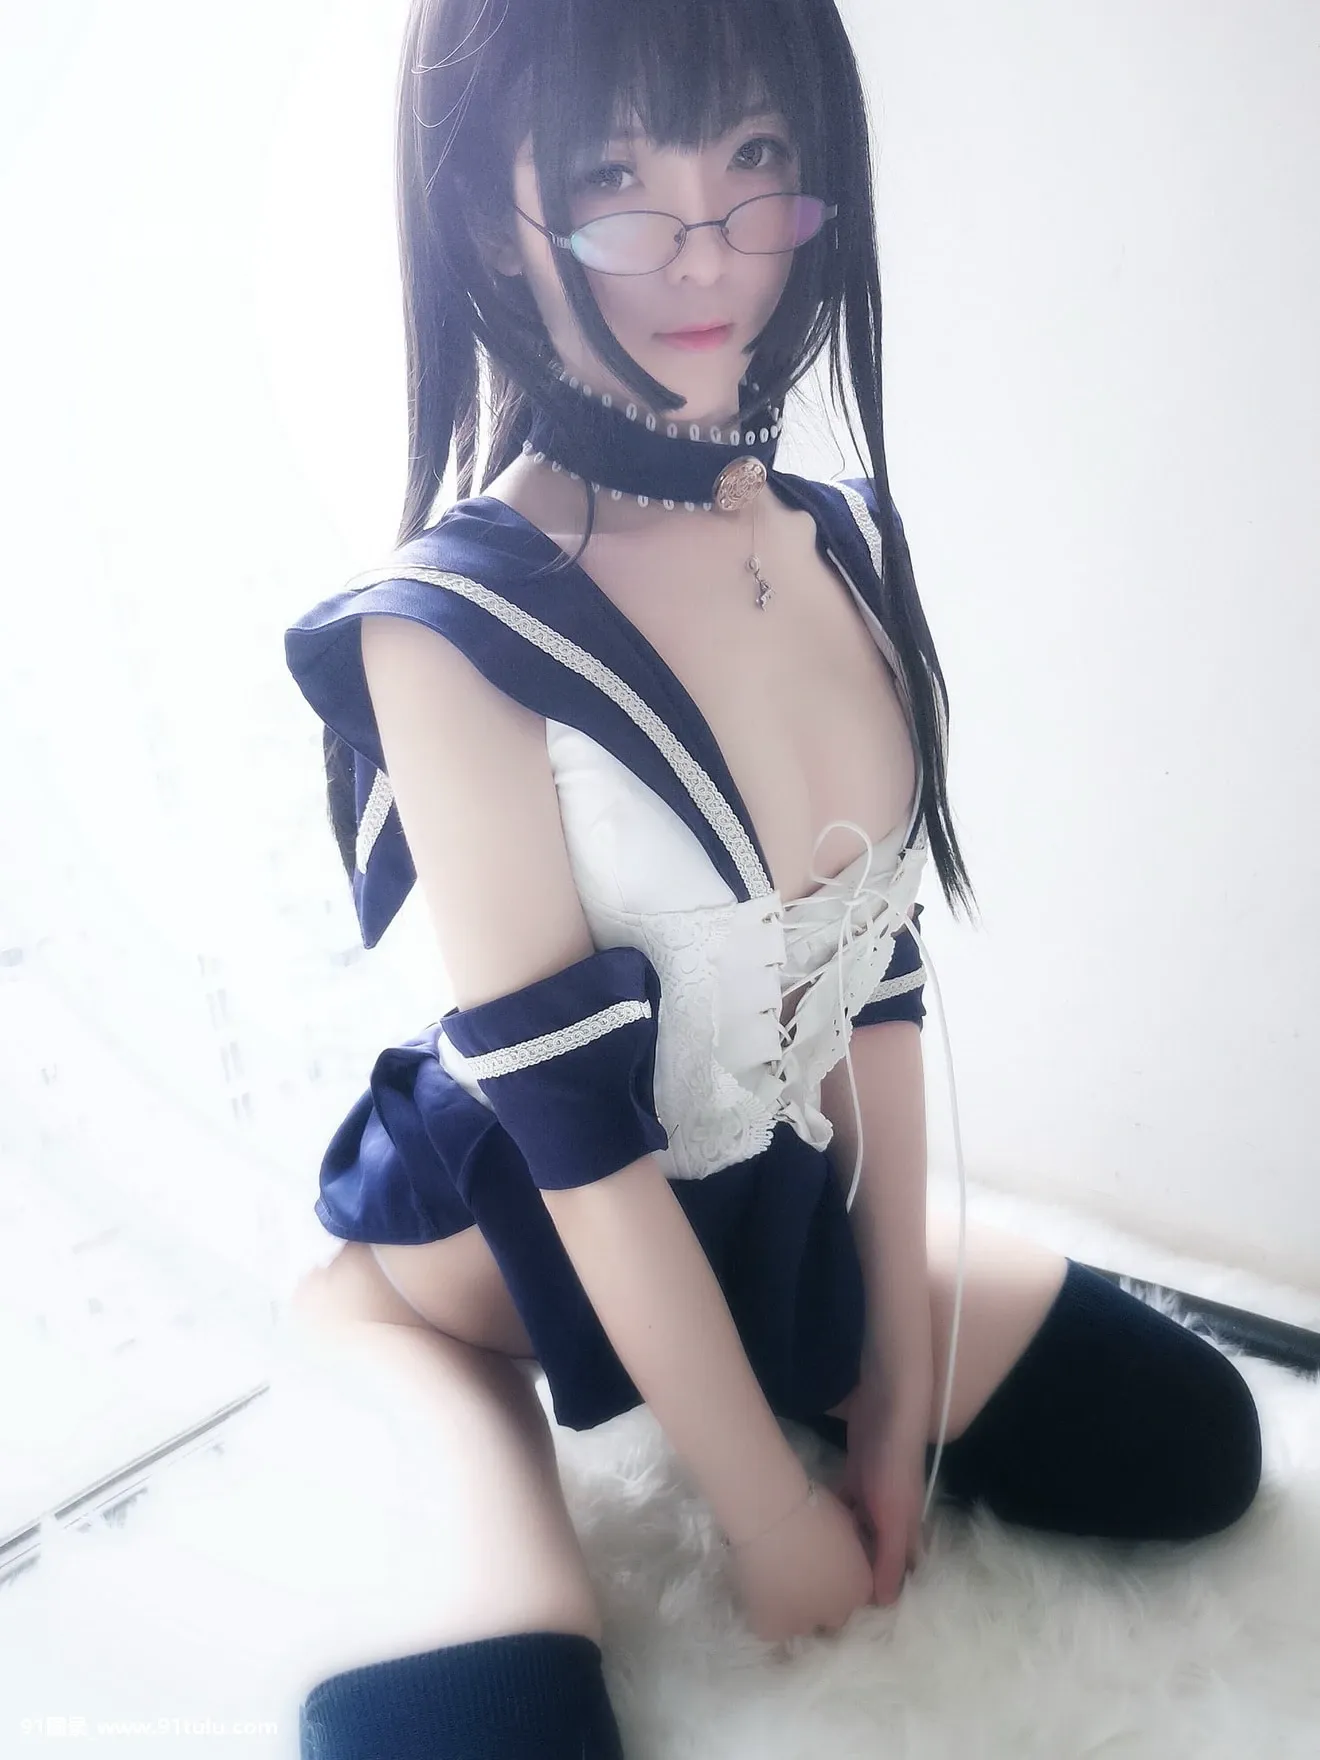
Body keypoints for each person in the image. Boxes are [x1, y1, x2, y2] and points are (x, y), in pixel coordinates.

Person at [278, 2, 1263, 1753]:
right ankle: (412, 1380)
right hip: (489, 1271)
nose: (706, 245)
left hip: (759, 1217)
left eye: (753, 155)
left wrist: (894, 1389)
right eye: (615, 176)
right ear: (486, 211)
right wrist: (764, 1513)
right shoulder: (449, 628)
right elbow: (576, 1137)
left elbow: (876, 980)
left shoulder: (842, 539)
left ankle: (779, 1358)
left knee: (1192, 1447)